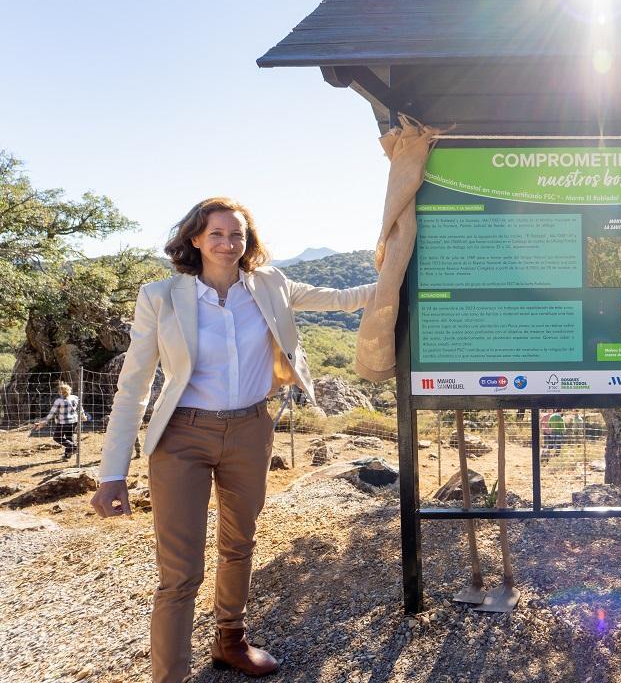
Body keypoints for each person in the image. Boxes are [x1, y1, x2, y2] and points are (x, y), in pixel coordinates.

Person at [90, 197, 375, 683]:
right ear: (195, 239)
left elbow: (345, 299)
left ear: (249, 242)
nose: (228, 243)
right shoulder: (160, 297)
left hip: (249, 430)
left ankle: (230, 639)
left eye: (237, 235)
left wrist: (404, 268)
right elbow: (133, 387)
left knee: (239, 544)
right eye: (217, 234)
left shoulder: (270, 285)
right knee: (180, 573)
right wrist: (112, 473)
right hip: (182, 436)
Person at [35, 381, 89, 460]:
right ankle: (68, 454)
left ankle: (74, 447)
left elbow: (52, 413)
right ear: (69, 390)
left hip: (63, 423)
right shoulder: (75, 398)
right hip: (74, 421)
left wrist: (45, 421)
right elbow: (80, 409)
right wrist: (83, 416)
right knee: (69, 437)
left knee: (57, 437)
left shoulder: (59, 401)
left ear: (60, 392)